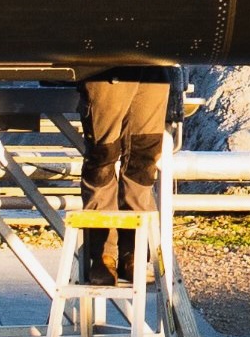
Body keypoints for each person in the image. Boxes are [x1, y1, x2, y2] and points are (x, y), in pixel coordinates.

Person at [71, 68, 175, 288]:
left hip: (154, 64)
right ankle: (102, 255)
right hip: (107, 63)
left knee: (144, 160)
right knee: (103, 156)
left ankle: (134, 253)